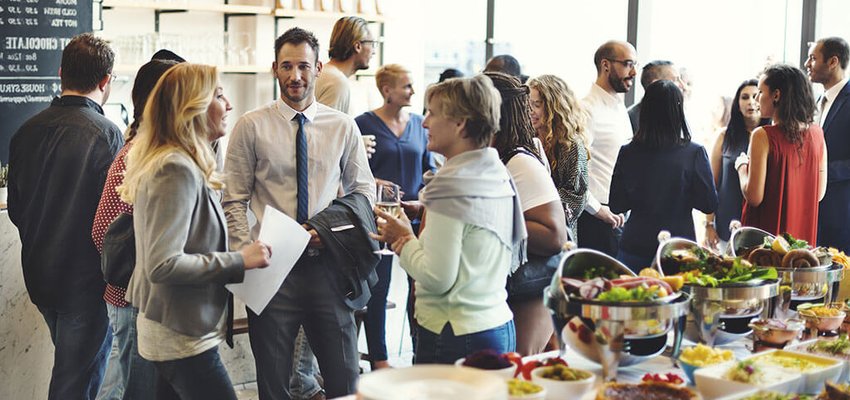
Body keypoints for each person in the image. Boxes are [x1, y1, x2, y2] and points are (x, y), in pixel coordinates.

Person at [223, 27, 375, 400]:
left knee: (344, 380)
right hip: (272, 270)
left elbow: (363, 191)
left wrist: (333, 230)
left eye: (304, 67)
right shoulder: (251, 126)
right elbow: (233, 199)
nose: (295, 76)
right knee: (273, 385)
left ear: (318, 68)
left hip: (329, 266)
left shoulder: (342, 126)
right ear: (275, 68)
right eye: (287, 66)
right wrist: (246, 255)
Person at [118, 63, 271, 399]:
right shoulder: (175, 168)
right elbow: (163, 263)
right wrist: (238, 260)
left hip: (173, 327)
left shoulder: (179, 161)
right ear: (193, 108)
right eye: (218, 95)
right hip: (180, 334)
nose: (229, 104)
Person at [372, 74, 525, 364]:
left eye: (432, 112)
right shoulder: (495, 172)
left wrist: (402, 239)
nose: (424, 122)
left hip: (455, 332)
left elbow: (437, 278)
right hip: (496, 324)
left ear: (460, 123)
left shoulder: (451, 186)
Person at [7, 33, 123, 400]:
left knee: (72, 373)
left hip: (40, 277)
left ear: (60, 73)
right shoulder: (107, 135)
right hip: (85, 284)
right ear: (106, 81)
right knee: (75, 385)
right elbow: (114, 220)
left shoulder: (25, 131)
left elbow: (17, 209)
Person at [93, 57, 179, 400]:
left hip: (145, 298)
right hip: (132, 299)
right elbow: (104, 232)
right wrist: (142, 278)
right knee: (123, 390)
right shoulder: (137, 155)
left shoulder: (157, 151)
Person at [354, 64, 434, 369]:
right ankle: (380, 358)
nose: (413, 91)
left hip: (417, 218)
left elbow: (430, 170)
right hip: (379, 221)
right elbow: (350, 170)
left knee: (421, 288)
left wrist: (422, 201)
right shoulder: (362, 124)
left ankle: (421, 354)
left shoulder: (419, 124)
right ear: (387, 90)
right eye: (407, 85)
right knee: (378, 290)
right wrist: (373, 184)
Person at [485, 71, 567, 356]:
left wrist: (488, 218)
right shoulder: (496, 156)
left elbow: (555, 235)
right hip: (512, 287)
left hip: (529, 287)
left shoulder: (520, 161)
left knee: (518, 369)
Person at [609, 80, 718, 269]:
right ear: (679, 111)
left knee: (634, 296)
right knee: (679, 297)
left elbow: (617, 204)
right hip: (679, 249)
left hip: (635, 245)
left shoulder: (628, 151)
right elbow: (708, 204)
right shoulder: (694, 153)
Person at [738, 64, 827, 244]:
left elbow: (754, 197)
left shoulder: (762, 136)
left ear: (776, 95)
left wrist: (741, 167)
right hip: (800, 238)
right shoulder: (818, 134)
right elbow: (819, 194)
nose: (756, 98)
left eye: (760, 92)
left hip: (766, 239)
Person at [578, 40, 636, 257]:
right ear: (606, 65)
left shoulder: (619, 107)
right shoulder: (586, 109)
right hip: (596, 219)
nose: (634, 72)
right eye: (628, 64)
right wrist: (597, 209)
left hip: (621, 217)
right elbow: (574, 170)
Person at [703, 79, 765, 251]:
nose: (751, 101)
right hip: (726, 223)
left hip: (762, 225)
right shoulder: (724, 136)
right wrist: (708, 224)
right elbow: (712, 184)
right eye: (745, 97)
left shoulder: (771, 137)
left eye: (756, 96)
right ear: (737, 104)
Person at [528, 74, 590, 242]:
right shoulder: (526, 138)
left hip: (559, 233)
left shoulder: (571, 145)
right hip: (529, 227)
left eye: (537, 105)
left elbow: (576, 198)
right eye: (528, 104)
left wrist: (536, 202)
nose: (530, 110)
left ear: (554, 107)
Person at [807, 37, 850, 252]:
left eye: (813, 59)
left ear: (833, 62)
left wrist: (821, 172)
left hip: (842, 213)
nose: (807, 64)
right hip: (813, 214)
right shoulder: (817, 101)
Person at [316, 16, 377, 114]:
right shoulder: (337, 81)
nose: (374, 52)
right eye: (372, 44)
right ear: (358, 46)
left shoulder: (325, 73)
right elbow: (330, 127)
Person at [627, 60, 681, 134]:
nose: (682, 85)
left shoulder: (676, 112)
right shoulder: (632, 119)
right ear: (656, 84)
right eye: (675, 80)